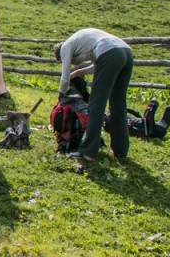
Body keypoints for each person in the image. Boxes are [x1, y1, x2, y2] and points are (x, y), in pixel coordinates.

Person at [54, 28, 134, 162]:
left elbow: (65, 78)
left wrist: (61, 97)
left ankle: (88, 152)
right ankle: (120, 151)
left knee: (96, 106)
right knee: (118, 105)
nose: (74, 63)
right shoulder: (82, 42)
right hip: (125, 52)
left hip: (110, 53)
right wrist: (79, 72)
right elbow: (99, 65)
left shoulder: (66, 46)